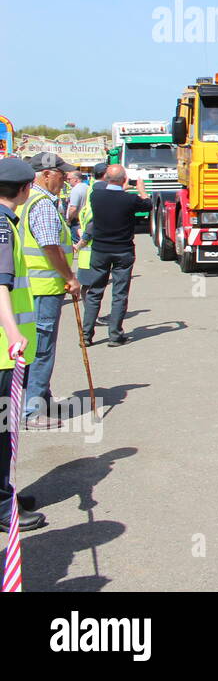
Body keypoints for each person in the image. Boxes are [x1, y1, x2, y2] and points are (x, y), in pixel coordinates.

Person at [17, 152, 80, 428]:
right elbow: (49, 246)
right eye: (60, 173)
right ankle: (33, 410)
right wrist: (70, 276)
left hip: (27, 287)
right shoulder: (41, 204)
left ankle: (39, 398)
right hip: (42, 287)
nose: (65, 178)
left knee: (31, 348)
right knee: (42, 349)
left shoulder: (23, 201)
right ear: (45, 175)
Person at [0, 158, 46, 530]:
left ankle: (6, 492)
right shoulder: (3, 225)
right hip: (3, 351)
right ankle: (2, 507)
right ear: (25, 189)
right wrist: (14, 333)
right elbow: (0, 284)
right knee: (2, 432)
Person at [75, 164, 146, 347]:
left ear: (106, 178)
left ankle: (86, 335)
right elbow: (148, 204)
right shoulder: (130, 200)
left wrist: (120, 186)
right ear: (124, 180)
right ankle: (115, 335)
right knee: (119, 294)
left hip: (100, 250)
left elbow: (110, 193)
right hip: (123, 251)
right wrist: (141, 190)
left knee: (94, 292)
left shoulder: (96, 196)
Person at [65, 169, 88, 244]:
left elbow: (73, 208)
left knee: (77, 244)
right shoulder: (87, 187)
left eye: (69, 179)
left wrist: (69, 220)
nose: (68, 181)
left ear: (76, 180)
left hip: (76, 221)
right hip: (85, 220)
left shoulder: (76, 190)